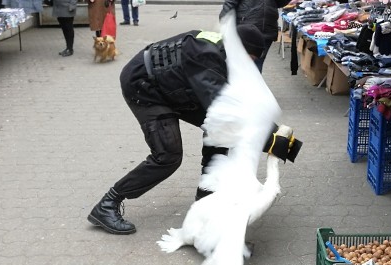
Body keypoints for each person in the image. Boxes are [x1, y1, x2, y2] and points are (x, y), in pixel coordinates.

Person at [87, 24, 266, 235]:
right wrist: (268, 135)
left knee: (221, 128)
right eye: (251, 57)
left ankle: (207, 194)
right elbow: (221, 104)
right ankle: (107, 205)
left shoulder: (225, 54)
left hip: (174, 86)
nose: (252, 63)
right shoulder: (206, 55)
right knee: (168, 156)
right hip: (144, 86)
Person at [219, 0, 290, 72]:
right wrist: (225, 24)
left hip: (266, 29)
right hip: (247, 31)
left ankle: (253, 81)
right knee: (243, 66)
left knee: (257, 64)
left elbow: (280, 2)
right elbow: (230, 3)